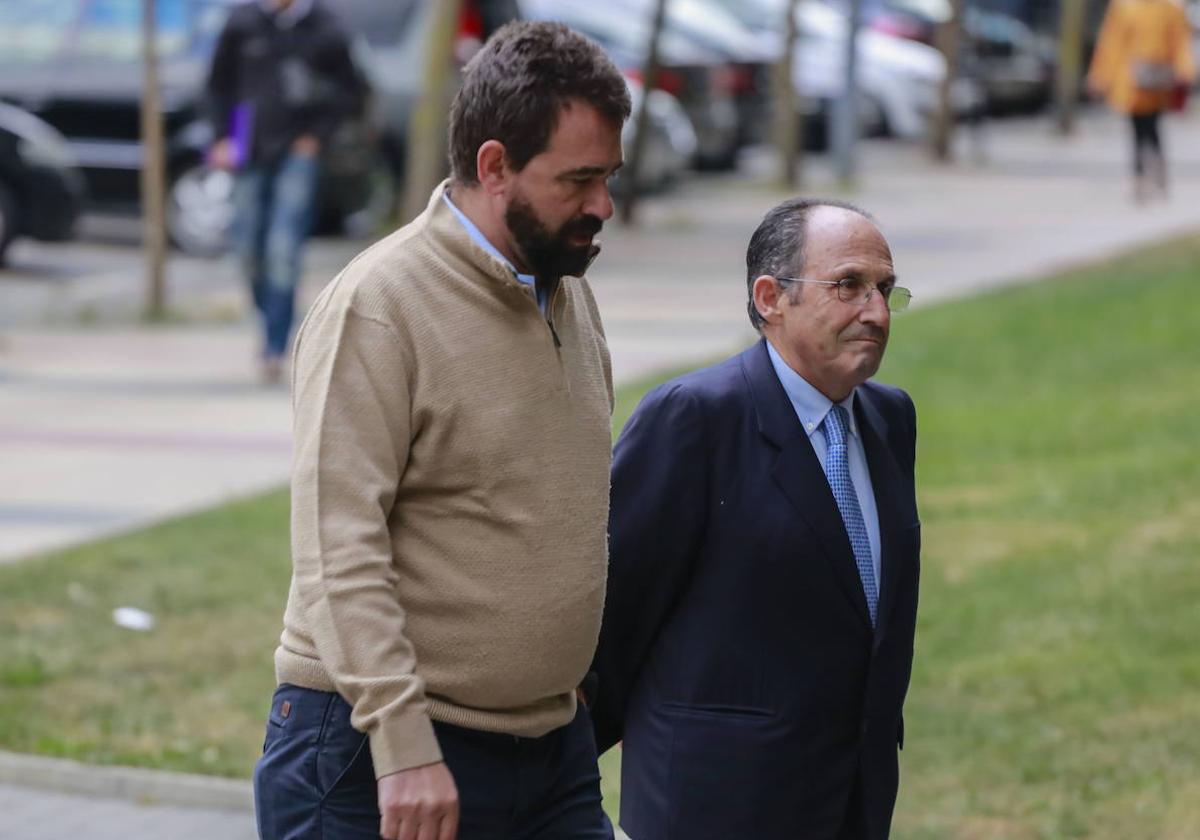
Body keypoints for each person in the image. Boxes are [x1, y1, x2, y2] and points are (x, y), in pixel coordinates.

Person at [251, 21, 630, 840]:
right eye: (581, 180)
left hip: (551, 751)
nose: (604, 205)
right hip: (373, 759)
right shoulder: (379, 305)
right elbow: (336, 547)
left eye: (610, 177)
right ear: (495, 167)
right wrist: (402, 744)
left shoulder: (569, 292)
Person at [589, 199, 921, 840]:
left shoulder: (889, 419)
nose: (876, 313)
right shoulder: (694, 418)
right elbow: (609, 617)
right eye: (848, 286)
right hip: (717, 804)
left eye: (885, 290)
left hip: (855, 797)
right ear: (771, 297)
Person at [206, 0, 365, 383]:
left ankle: (275, 344)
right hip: (249, 150)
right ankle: (271, 320)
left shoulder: (326, 27)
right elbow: (217, 86)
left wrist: (317, 138)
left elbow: (352, 91)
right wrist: (221, 138)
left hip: (298, 154)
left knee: (283, 247)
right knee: (247, 247)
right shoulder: (242, 22)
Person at [1087, 0, 1195, 202]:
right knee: (1137, 129)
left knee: (1152, 127)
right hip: (1131, 81)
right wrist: (1100, 76)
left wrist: (1184, 70)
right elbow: (1112, 42)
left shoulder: (1169, 7)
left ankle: (1155, 173)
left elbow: (1179, 40)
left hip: (1158, 78)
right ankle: (1140, 176)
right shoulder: (1124, 6)